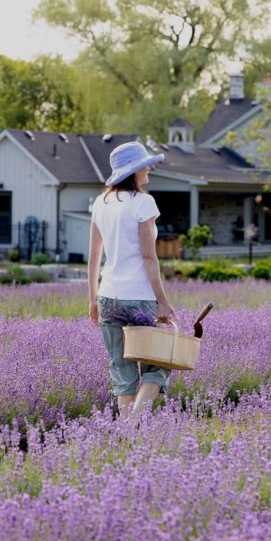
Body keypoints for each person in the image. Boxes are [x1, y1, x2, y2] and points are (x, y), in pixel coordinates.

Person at [88, 141, 175, 420]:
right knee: (158, 362)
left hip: (108, 296)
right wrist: (163, 301)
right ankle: (137, 418)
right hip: (139, 297)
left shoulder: (100, 203)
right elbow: (149, 257)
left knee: (121, 366)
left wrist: (92, 299)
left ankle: (127, 432)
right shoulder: (144, 202)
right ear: (134, 171)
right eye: (145, 164)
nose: (149, 167)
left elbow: (94, 256)